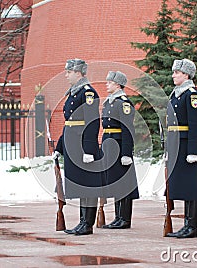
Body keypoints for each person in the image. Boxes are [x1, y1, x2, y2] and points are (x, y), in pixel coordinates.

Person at [52, 58, 102, 235]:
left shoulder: (87, 93)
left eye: (69, 72)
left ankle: (87, 223)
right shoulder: (73, 93)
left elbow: (93, 122)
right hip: (73, 145)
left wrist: (89, 150)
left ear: (79, 73)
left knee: (88, 185)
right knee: (81, 185)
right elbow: (69, 124)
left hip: (83, 147)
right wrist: (60, 147)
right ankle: (82, 221)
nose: (66, 75)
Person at [165, 59, 197, 239]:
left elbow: (195, 125)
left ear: (186, 75)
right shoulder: (175, 95)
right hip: (177, 145)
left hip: (187, 147)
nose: (173, 75)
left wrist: (193, 150)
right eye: (174, 72)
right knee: (183, 186)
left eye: (177, 72)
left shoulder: (191, 96)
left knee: (192, 187)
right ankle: (185, 225)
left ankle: (192, 226)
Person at [100, 71, 139, 229]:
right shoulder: (109, 102)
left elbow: (128, 129)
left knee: (124, 183)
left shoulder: (123, 103)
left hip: (119, 145)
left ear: (117, 84)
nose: (106, 84)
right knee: (116, 181)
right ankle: (117, 217)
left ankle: (125, 218)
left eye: (109, 82)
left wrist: (126, 153)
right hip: (110, 145)